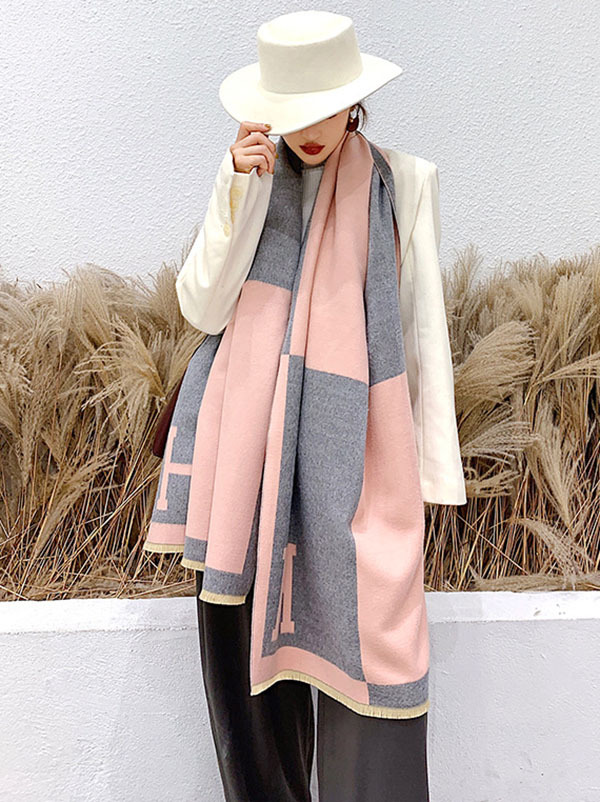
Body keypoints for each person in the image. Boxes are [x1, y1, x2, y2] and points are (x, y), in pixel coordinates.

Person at [144, 10, 466, 801]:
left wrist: (430, 480)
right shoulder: (249, 176)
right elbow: (203, 308)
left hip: (360, 463)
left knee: (376, 650)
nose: (310, 129)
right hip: (244, 464)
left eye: (325, 108)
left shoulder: (403, 181)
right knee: (250, 698)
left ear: (354, 101)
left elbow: (422, 333)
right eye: (292, 111)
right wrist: (237, 189)